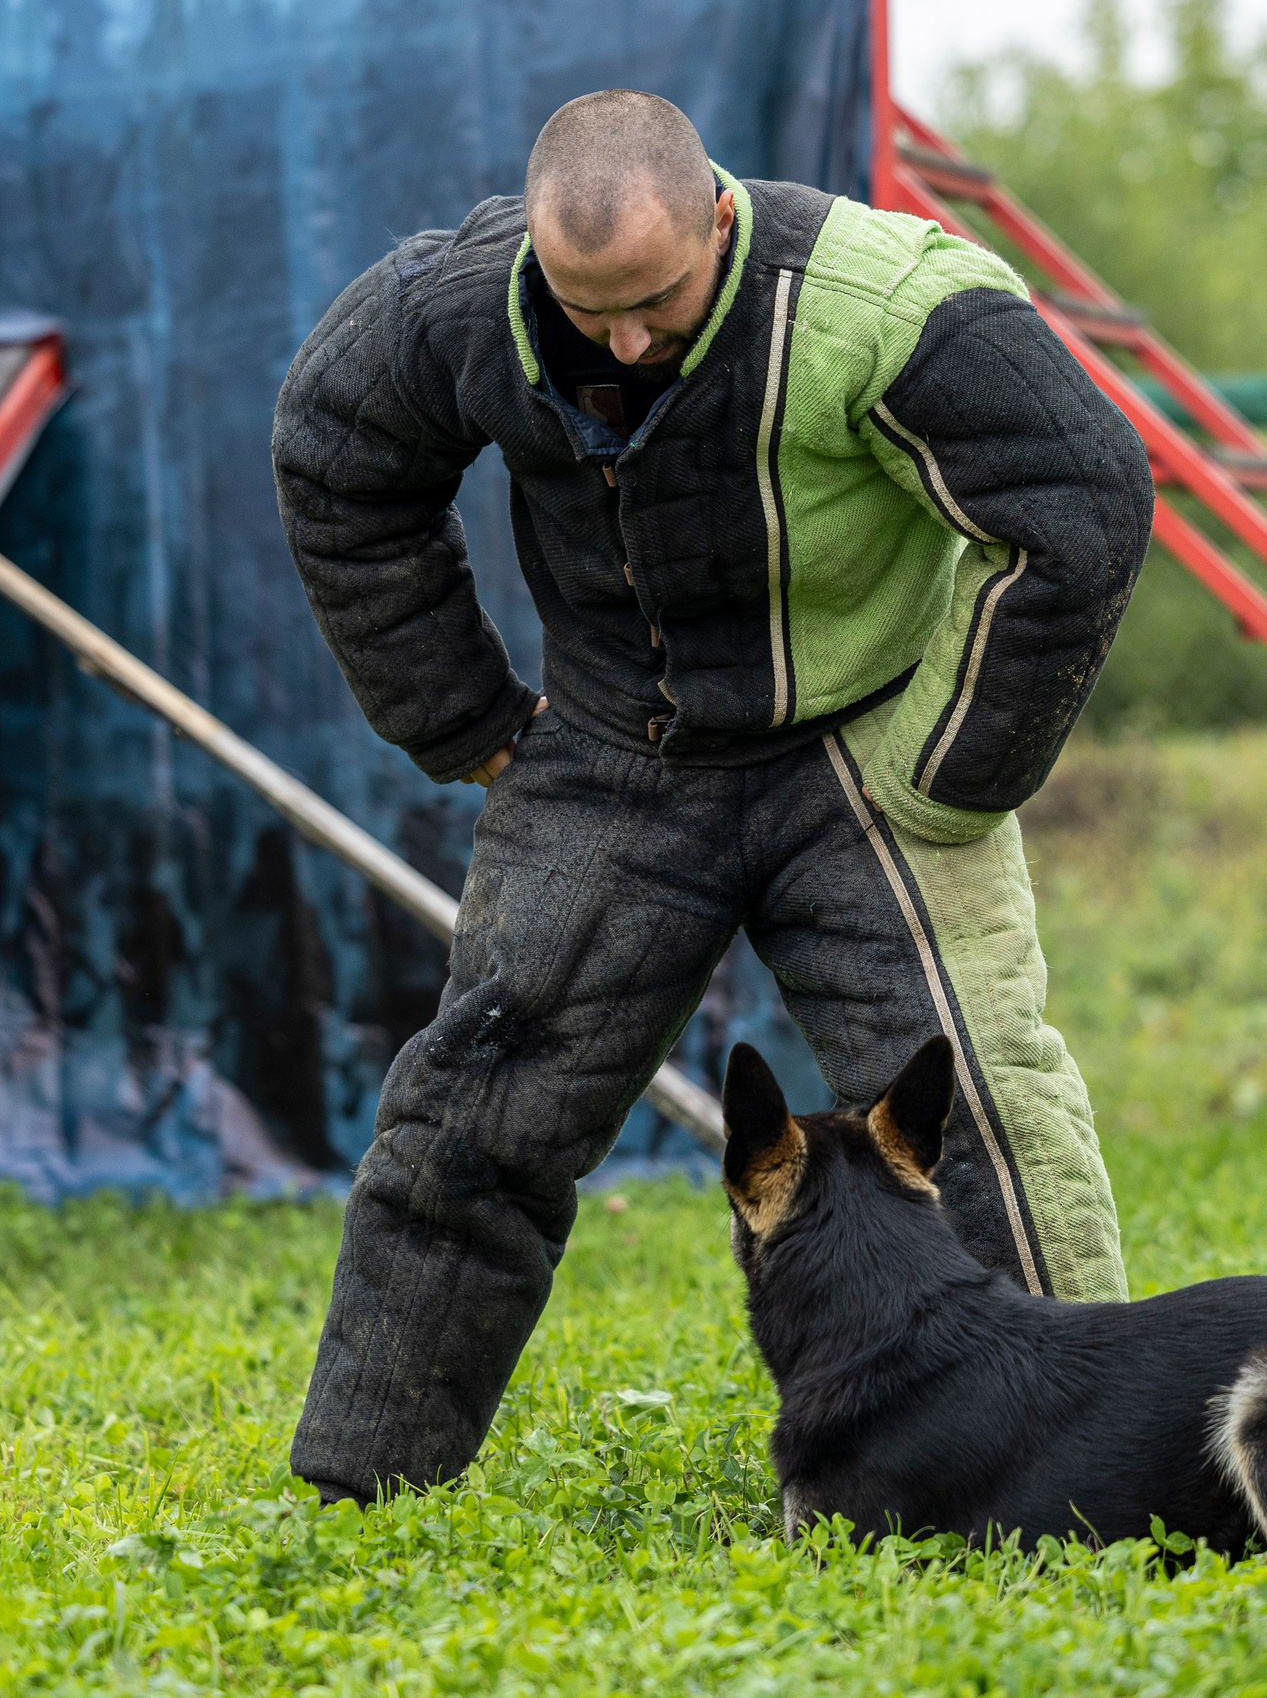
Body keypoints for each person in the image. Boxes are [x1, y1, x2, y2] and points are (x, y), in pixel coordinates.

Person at [271, 88, 1153, 1504]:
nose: (621, 341)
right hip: (615, 757)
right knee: (474, 1110)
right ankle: (360, 1491)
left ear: (719, 217)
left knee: (977, 1109)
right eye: (587, 308)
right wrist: (469, 720)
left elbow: (1084, 495)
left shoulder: (883, 301)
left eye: (656, 304)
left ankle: (1083, 1474)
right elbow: (334, 454)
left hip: (866, 750)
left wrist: (950, 766)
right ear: (536, 259)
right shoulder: (457, 310)